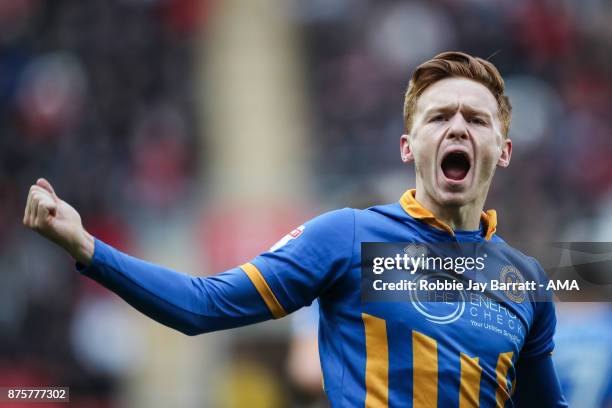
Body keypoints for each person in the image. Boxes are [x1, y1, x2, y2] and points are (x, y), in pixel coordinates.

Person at [23, 51, 567, 407]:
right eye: (437, 117)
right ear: (408, 147)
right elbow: (202, 305)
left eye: (476, 120)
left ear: (505, 150)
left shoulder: (527, 280)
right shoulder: (350, 238)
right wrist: (87, 247)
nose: (457, 128)